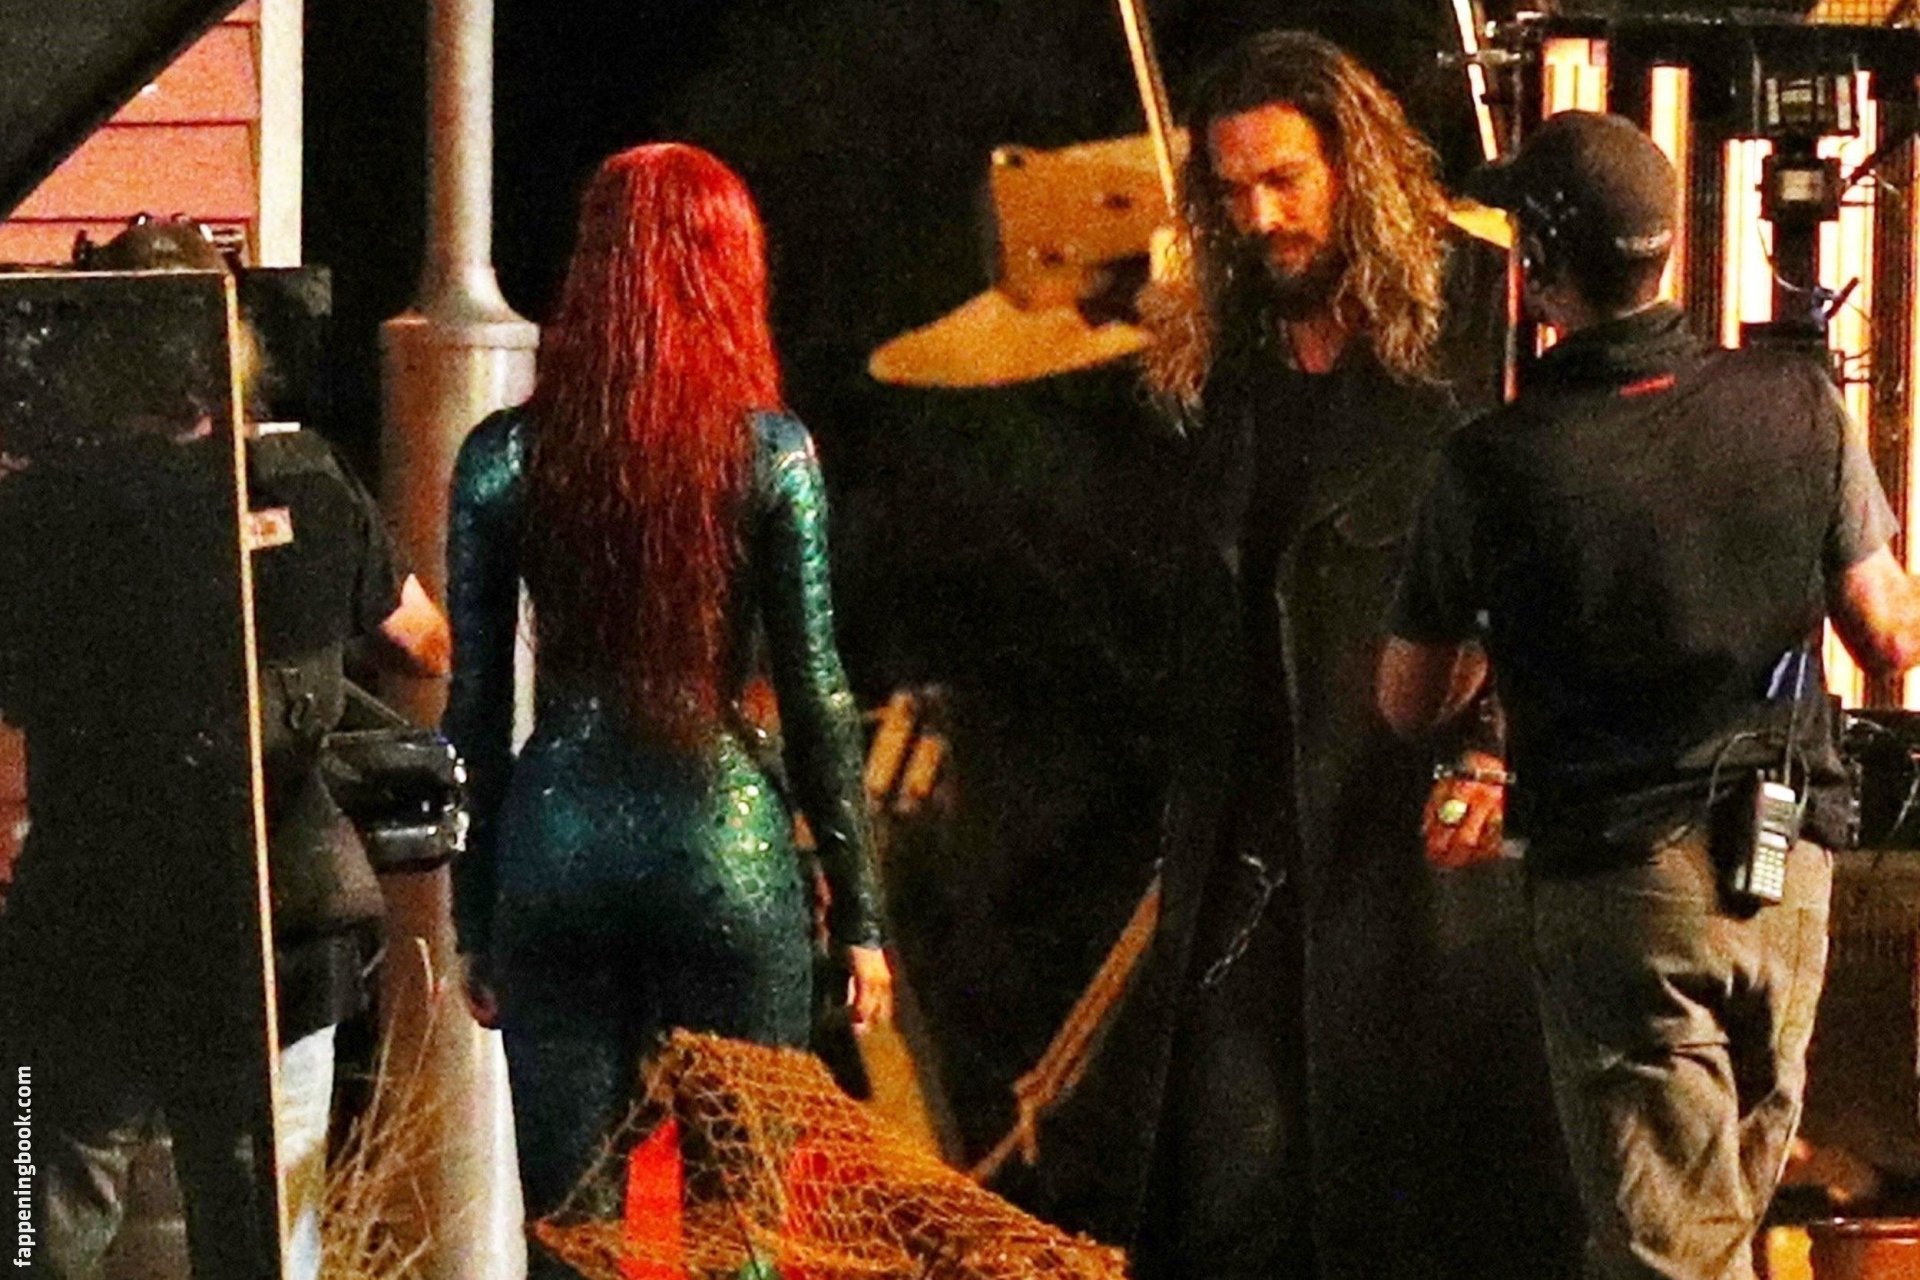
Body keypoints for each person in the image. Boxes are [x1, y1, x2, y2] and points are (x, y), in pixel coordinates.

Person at [1027, 30, 1571, 1280]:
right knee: (1219, 1205)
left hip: (1420, 864)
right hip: (1254, 862)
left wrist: (1494, 747)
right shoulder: (1222, 362)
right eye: (1232, 191)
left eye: (1285, 180)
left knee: (1409, 1221)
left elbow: (1555, 567)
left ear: (1352, 167)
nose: (1261, 217)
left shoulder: (1477, 324)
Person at [1380, 110, 1920, 1280]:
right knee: (1718, 1220)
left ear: (1537, 268)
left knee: (1668, 1250)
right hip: (1786, 877)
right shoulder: (1799, 401)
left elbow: (1407, 697)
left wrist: (1499, 639)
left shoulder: (1493, 463)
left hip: (1624, 889)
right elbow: (1889, 633)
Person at [443, 143, 894, 1270]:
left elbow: (475, 706)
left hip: (556, 845)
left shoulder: (503, 459)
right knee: (738, 1230)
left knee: (573, 1234)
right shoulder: (770, 454)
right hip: (725, 844)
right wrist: (862, 915)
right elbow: (818, 693)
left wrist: (474, 913)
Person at [0, 217, 451, 1280]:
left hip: (88, 925)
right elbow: (428, 643)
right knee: (268, 1237)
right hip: (272, 929)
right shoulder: (307, 483)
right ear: (236, 343)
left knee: (34, 1223)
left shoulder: (39, 511)